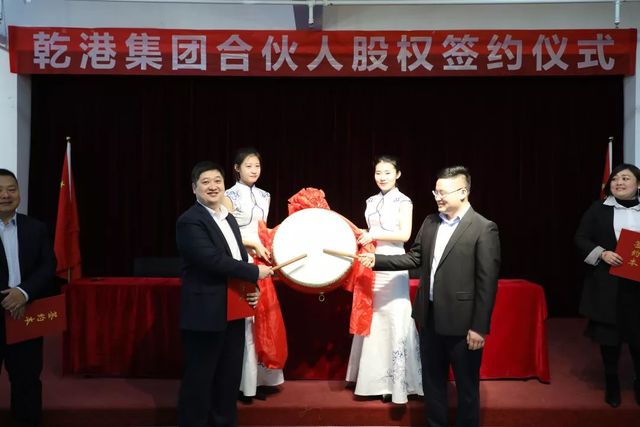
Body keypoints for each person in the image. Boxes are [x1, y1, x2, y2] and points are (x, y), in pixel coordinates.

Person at [359, 165, 500, 427]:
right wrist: (377, 260)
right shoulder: (430, 222)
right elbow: (414, 258)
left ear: (463, 192)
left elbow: (487, 283)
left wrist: (479, 327)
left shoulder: (483, 228)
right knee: (433, 386)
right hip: (429, 320)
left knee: (467, 389)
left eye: (443, 192)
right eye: (436, 192)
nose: (438, 197)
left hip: (462, 325)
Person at [176, 161, 272, 427]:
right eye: (205, 182)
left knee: (227, 381)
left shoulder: (228, 218)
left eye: (217, 181)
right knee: (199, 380)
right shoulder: (189, 221)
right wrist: (255, 272)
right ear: (194, 188)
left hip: (233, 310)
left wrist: (251, 289)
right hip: (205, 315)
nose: (213, 186)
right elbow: (212, 260)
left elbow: (237, 257)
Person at [345, 155, 423, 404]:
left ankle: (398, 383)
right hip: (371, 262)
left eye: (388, 172)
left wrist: (374, 234)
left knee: (395, 315)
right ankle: (373, 381)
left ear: (398, 174)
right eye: (378, 172)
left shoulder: (404, 201)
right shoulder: (370, 201)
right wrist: (364, 234)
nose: (382, 177)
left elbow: (405, 234)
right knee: (374, 317)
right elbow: (370, 232)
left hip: (394, 263)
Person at [575, 163, 640, 408]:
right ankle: (612, 381)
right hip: (608, 283)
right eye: (615, 179)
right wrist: (602, 253)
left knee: (638, 338)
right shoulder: (598, 209)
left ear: (638, 184)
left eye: (626, 178)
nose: (619, 182)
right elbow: (580, 238)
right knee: (610, 338)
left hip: (638, 287)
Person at [223, 148, 284, 401]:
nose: (254, 170)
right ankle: (244, 385)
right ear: (237, 168)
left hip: (261, 258)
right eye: (248, 166)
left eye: (257, 166)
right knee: (246, 320)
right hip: (241, 259)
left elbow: (263, 229)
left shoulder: (264, 195)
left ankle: (262, 380)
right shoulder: (228, 195)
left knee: (263, 317)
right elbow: (227, 232)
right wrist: (253, 244)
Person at [0, 168, 56, 427]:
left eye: (11, 189)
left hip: (26, 314)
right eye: (0, 190)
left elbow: (48, 265)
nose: (5, 195)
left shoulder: (36, 227)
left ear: (19, 193)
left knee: (27, 381)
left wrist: (23, 293)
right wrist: (8, 298)